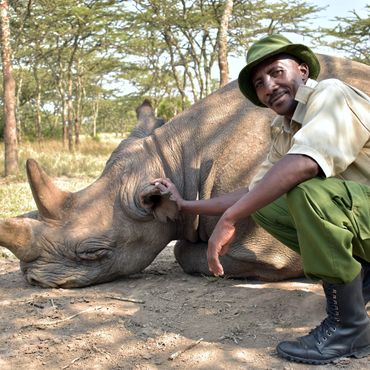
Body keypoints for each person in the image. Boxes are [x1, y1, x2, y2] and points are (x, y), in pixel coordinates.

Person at [152, 34, 370, 365]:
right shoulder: (285, 129)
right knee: (268, 203)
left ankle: (349, 326)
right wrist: (185, 205)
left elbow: (305, 165)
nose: (269, 86)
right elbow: (255, 192)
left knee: (305, 191)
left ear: (302, 71)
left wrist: (229, 219)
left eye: (277, 72)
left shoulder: (330, 93)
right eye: (259, 82)